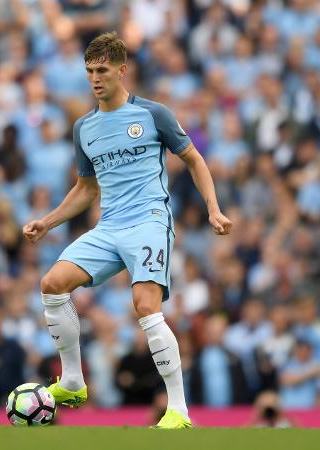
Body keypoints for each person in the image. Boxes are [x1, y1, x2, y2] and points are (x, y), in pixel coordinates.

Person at [22, 31, 232, 429]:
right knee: (52, 283)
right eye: (89, 72)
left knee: (146, 306)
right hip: (110, 226)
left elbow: (195, 160)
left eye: (102, 70)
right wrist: (47, 222)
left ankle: (179, 411)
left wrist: (213, 209)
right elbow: (86, 190)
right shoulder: (84, 128)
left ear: (122, 70)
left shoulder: (154, 114)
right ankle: (71, 382)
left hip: (149, 221)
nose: (95, 79)